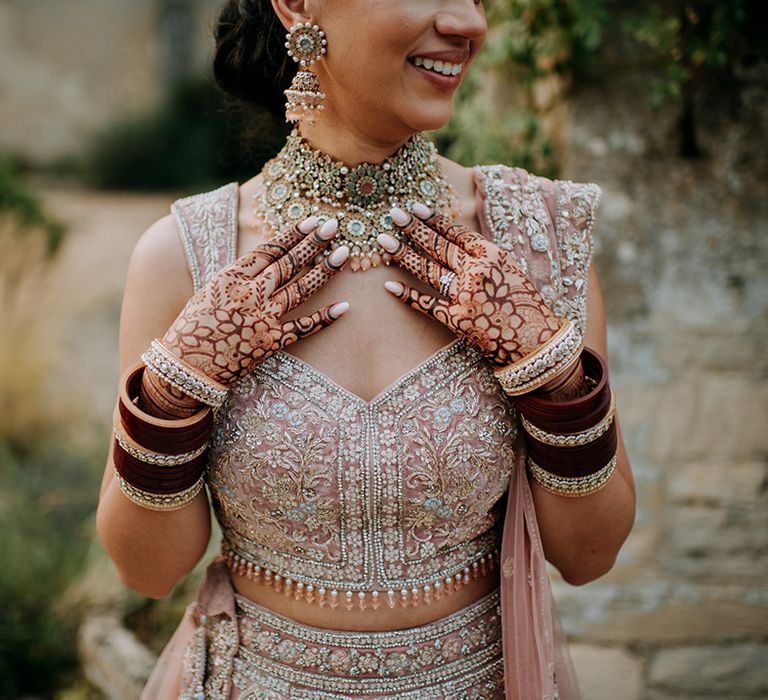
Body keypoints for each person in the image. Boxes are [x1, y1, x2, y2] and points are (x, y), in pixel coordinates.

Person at [96, 0, 636, 697]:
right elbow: (147, 571)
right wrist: (174, 390)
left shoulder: (536, 240)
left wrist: (556, 380)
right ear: (296, 6)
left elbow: (590, 555)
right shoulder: (186, 257)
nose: (469, 24)